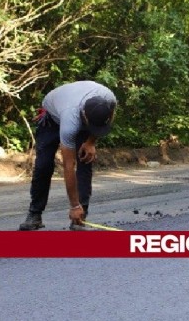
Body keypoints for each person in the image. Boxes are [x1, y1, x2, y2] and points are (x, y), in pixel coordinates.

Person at [19, 81, 117, 231]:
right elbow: (68, 166)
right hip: (52, 116)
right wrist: (73, 205)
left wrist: (91, 141)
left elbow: (110, 117)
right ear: (84, 116)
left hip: (79, 110)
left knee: (85, 160)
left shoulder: (109, 100)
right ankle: (35, 214)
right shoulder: (70, 121)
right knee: (43, 165)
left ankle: (80, 218)